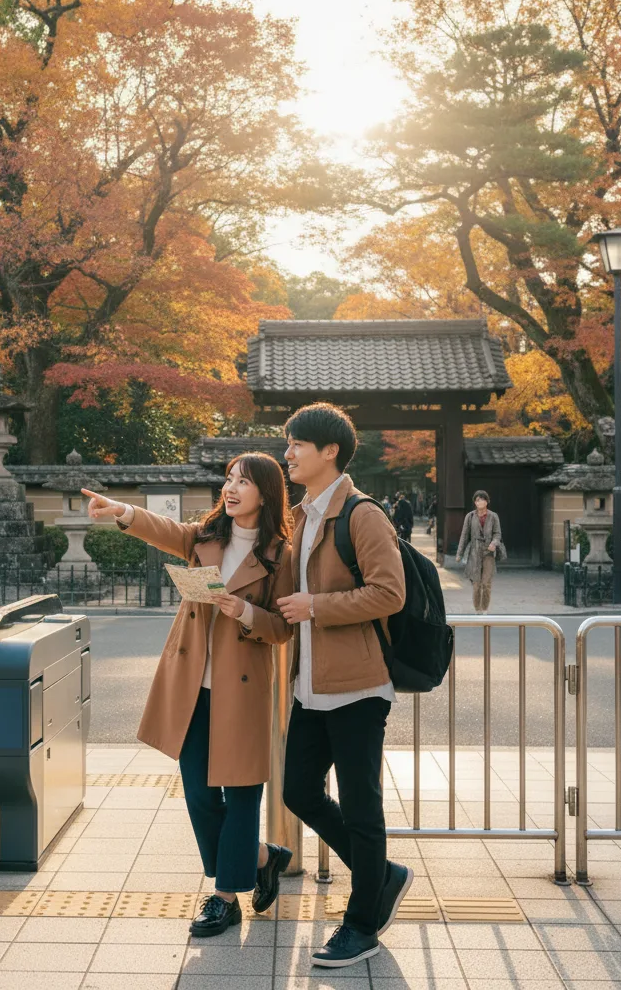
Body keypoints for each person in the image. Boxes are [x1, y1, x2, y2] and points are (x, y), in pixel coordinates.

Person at [82, 453, 295, 937]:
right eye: (229, 479)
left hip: (242, 690)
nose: (231, 489)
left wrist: (243, 611)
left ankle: (225, 898)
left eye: (243, 482)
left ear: (266, 493)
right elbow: (163, 530)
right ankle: (263, 857)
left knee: (241, 794)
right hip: (192, 686)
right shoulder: (205, 536)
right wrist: (122, 511)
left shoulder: (280, 554)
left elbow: (282, 628)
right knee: (199, 793)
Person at [275, 403, 414, 969]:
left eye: (296, 444)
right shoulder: (302, 515)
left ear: (329, 451)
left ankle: (362, 925)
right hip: (310, 686)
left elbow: (389, 593)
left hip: (358, 686)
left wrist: (316, 606)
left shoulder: (362, 514)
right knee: (298, 791)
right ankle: (383, 876)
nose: (287, 453)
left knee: (361, 807)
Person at [456, 490, 505, 615]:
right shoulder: (470, 516)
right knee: (476, 584)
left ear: (487, 501)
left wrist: (494, 543)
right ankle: (477, 610)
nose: (480, 502)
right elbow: (464, 536)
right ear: (475, 502)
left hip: (489, 553)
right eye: (477, 500)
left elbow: (497, 534)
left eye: (482, 499)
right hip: (474, 553)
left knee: (486, 583)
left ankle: (485, 610)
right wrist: (459, 553)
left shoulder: (493, 516)